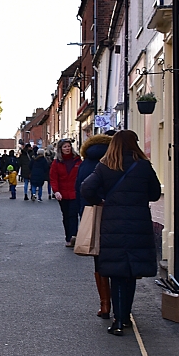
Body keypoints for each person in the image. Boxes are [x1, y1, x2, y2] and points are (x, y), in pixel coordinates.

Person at [80, 130, 161, 336]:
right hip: (138, 224)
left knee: (116, 272)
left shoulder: (105, 166)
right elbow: (153, 193)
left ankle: (117, 321)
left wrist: (100, 201)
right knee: (130, 273)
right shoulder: (143, 166)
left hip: (112, 225)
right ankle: (125, 317)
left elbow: (86, 188)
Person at [76, 134, 113, 318]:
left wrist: (83, 211)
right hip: (114, 215)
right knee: (117, 259)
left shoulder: (84, 164)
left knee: (98, 259)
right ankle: (122, 307)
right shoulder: (113, 162)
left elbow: (80, 189)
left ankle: (105, 304)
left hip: (92, 214)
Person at [49, 139, 82, 246]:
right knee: (66, 215)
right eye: (65, 147)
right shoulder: (56, 162)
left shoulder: (77, 160)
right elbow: (53, 178)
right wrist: (56, 191)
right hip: (62, 194)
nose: (67, 148)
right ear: (60, 149)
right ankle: (68, 237)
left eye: (68, 146)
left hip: (75, 192)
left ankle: (73, 236)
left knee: (73, 215)